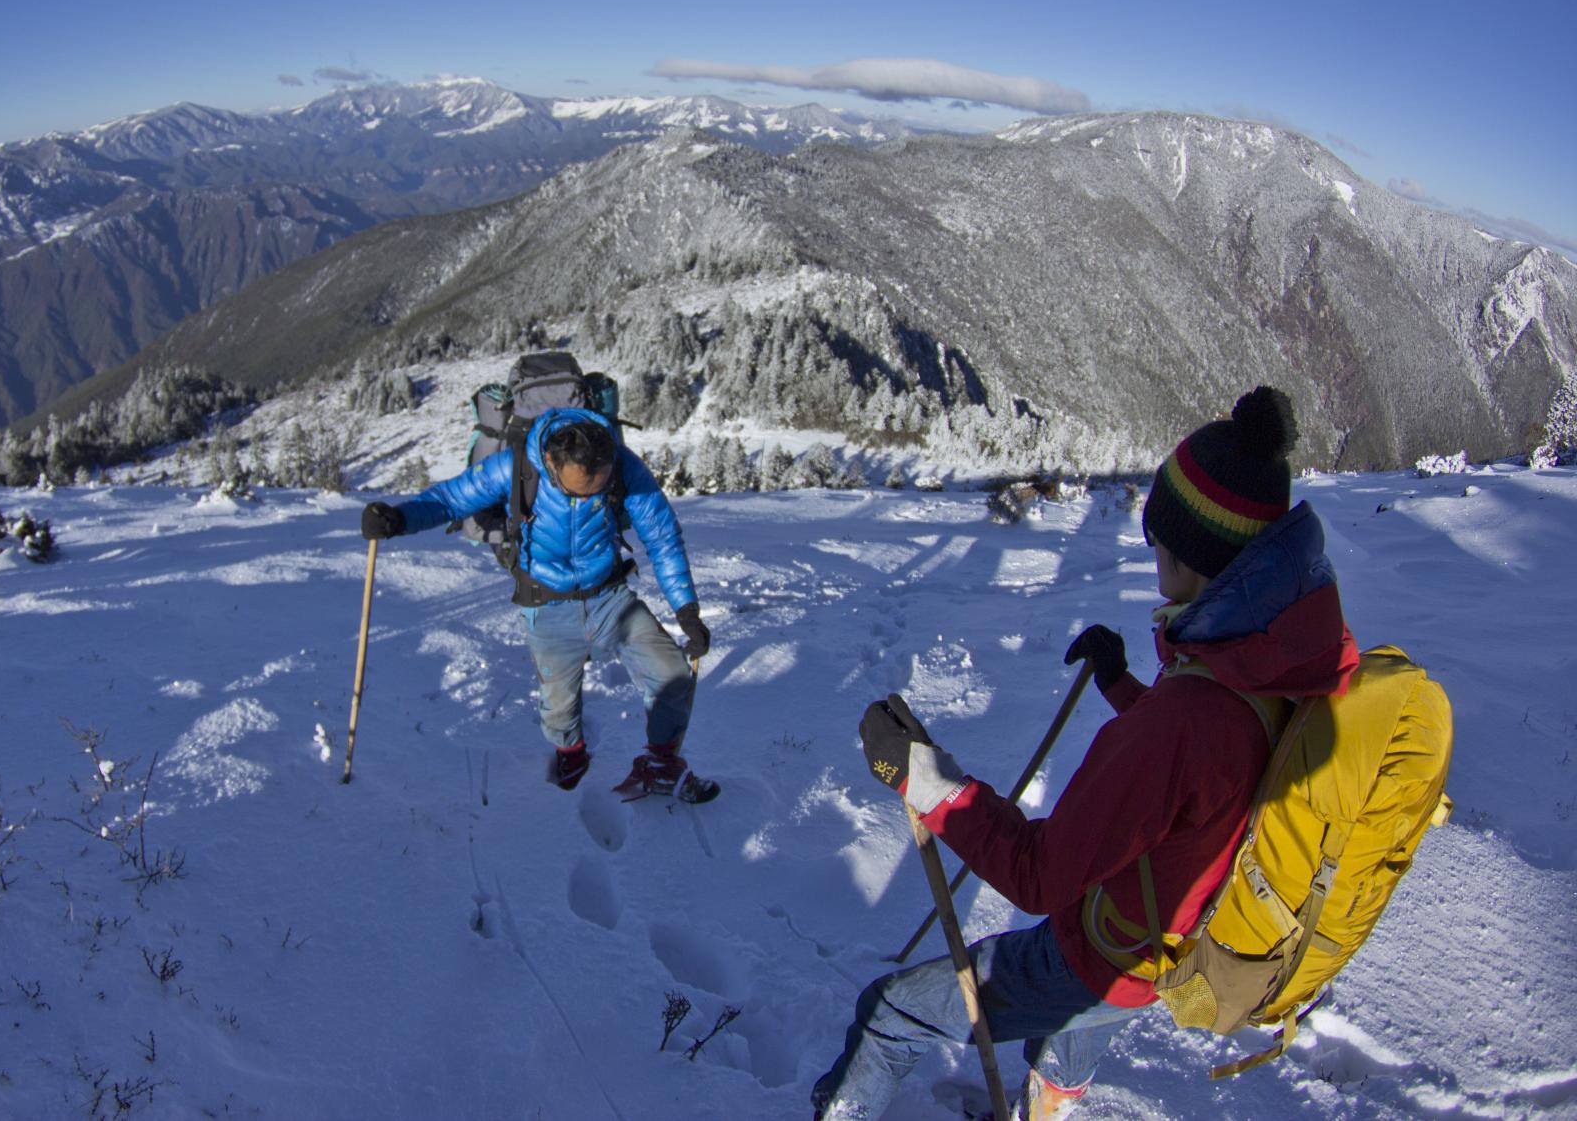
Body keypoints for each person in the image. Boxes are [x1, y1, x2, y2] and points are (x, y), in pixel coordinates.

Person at [813, 387, 1356, 1121]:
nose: (1151, 551)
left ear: (1192, 555)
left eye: (1159, 539)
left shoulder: (1186, 716)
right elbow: (1204, 776)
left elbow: (1039, 875)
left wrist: (916, 772)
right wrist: (1123, 683)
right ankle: (1050, 1107)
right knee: (1072, 1031)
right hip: (1167, 941)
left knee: (893, 1013)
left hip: (1102, 954)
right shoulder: (1272, 662)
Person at [361, 407, 711, 794]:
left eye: (600, 486)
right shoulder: (517, 466)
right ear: (549, 461)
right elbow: (451, 499)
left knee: (672, 673)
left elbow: (661, 535)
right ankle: (571, 755)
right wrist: (398, 519)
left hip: (611, 597)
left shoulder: (621, 464)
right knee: (558, 707)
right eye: (578, 488)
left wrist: (687, 609)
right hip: (546, 605)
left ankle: (661, 763)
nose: (590, 494)